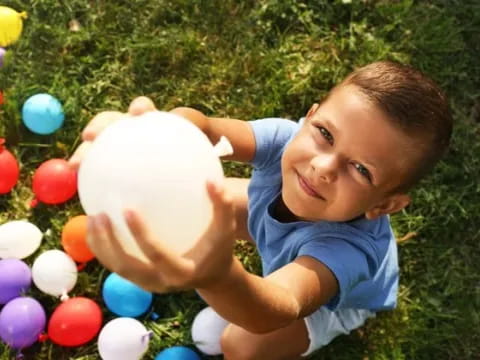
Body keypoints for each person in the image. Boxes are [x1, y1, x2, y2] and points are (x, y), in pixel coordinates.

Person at [69, 61, 452, 359]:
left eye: (361, 169)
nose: (323, 166)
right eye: (325, 134)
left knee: (241, 345)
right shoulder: (289, 139)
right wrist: (161, 130)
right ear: (310, 117)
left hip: (333, 304)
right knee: (206, 198)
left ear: (385, 205)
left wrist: (218, 274)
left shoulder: (348, 250)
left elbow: (277, 308)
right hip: (275, 229)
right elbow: (204, 129)